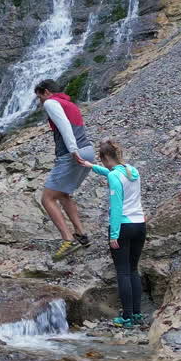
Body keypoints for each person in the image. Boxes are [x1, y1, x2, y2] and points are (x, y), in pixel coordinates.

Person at [76, 139, 146, 327]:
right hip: (140, 224)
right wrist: (92, 166)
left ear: (107, 157)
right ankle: (137, 315)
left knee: (122, 272)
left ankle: (126, 318)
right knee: (133, 270)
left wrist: (114, 234)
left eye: (103, 160)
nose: (104, 163)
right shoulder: (132, 170)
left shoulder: (115, 176)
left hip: (123, 226)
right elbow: (112, 173)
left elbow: (116, 207)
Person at [33, 79, 95, 261]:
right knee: (63, 193)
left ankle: (68, 240)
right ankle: (81, 234)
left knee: (47, 198)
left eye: (39, 97)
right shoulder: (69, 103)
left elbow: (65, 127)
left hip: (71, 153)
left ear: (45, 92)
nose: (40, 103)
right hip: (88, 150)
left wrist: (73, 150)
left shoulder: (52, 102)